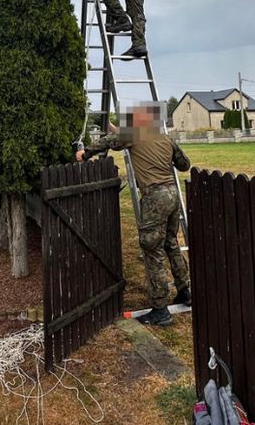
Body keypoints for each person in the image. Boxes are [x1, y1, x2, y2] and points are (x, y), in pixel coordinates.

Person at [77, 103, 190, 326]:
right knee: (171, 243)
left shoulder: (134, 134)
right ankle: (185, 290)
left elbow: (110, 141)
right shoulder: (163, 137)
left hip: (154, 197)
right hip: (172, 195)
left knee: (151, 249)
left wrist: (86, 152)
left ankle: (160, 309)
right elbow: (184, 164)